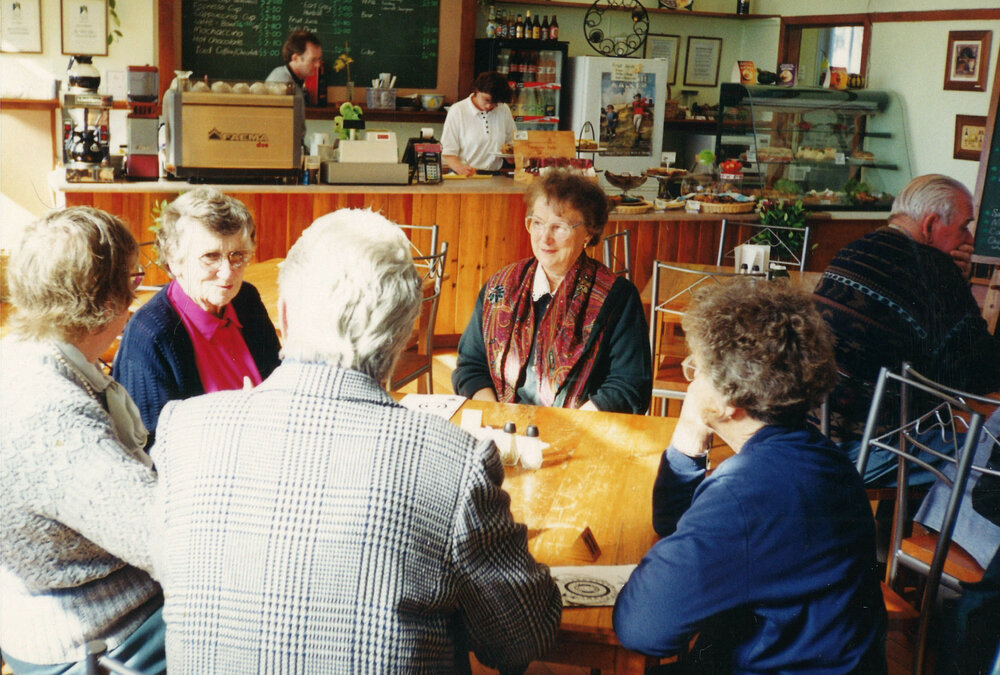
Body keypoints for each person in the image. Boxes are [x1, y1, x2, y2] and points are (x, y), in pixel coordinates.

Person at [149, 208, 562, 672]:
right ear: (405, 333)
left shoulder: (182, 430)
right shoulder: (453, 462)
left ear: (283, 317)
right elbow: (520, 640)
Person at [613, 279, 887, 673]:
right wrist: (692, 428)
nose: (691, 380)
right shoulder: (821, 456)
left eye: (698, 370)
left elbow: (641, 627)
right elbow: (672, 524)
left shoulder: (746, 493)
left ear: (731, 402)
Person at [1, 207, 165, 674]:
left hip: (42, 605)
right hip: (97, 639)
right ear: (107, 302)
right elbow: (165, 542)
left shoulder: (21, 355)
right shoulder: (53, 416)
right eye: (132, 280)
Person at [812, 174, 1000, 484]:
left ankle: (897, 522)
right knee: (987, 452)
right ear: (929, 226)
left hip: (807, 435)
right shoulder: (933, 269)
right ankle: (923, 530)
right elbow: (978, 375)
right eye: (964, 228)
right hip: (858, 451)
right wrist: (955, 283)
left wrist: (956, 282)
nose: (969, 241)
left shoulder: (856, 248)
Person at [452, 169, 652, 414]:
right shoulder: (500, 287)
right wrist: (497, 418)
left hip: (581, 433)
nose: (544, 238)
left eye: (559, 227)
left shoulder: (618, 298)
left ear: (588, 233)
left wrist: (566, 429)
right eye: (537, 223)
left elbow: (628, 387)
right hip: (501, 427)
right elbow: (470, 367)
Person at [113, 188, 281, 446]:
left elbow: (278, 380)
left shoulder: (246, 300)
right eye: (210, 257)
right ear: (173, 261)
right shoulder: (150, 336)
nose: (227, 274)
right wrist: (234, 422)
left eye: (238, 255)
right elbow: (152, 448)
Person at [441, 71, 517, 176]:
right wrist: (461, 169)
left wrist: (513, 156)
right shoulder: (458, 110)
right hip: (464, 176)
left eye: (495, 103)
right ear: (476, 91)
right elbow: (448, 152)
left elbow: (511, 144)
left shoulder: (503, 109)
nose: (489, 106)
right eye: (486, 100)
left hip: (494, 176)